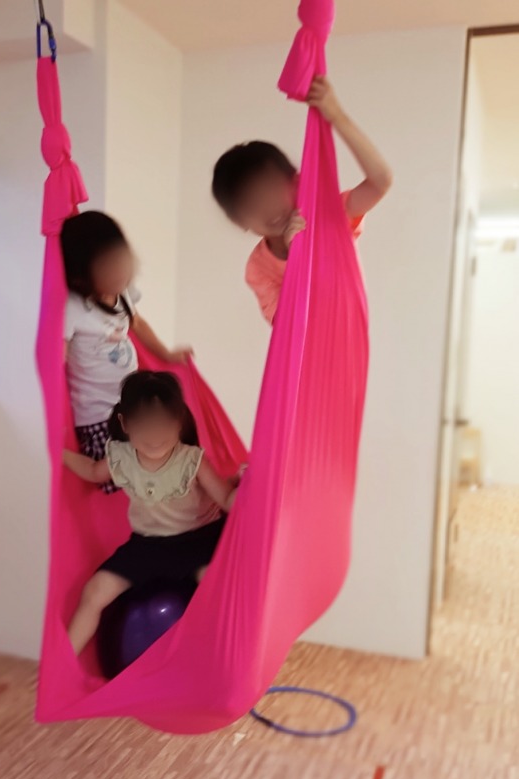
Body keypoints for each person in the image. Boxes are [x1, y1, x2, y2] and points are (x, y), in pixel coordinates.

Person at [62, 371, 239, 656]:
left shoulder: (191, 460)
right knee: (95, 591)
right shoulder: (122, 457)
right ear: (126, 424)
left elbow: (227, 500)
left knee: (215, 585)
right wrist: (58, 452)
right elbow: (93, 471)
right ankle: (62, 663)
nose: (155, 435)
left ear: (179, 422)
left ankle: (223, 658)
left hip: (198, 541)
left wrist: (252, 483)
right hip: (147, 544)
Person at [211, 76, 393, 325]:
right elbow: (287, 327)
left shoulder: (329, 215)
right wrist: (297, 256)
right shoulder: (258, 268)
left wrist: (336, 115)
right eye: (252, 202)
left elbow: (381, 181)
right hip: (311, 349)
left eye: (271, 188)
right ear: (239, 222)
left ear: (296, 182)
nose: (267, 206)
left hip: (350, 337)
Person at [62, 211, 192, 493]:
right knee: (113, 472)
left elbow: (138, 324)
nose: (121, 272)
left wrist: (166, 354)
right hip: (97, 413)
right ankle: (61, 455)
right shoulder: (74, 307)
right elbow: (58, 359)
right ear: (82, 279)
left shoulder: (122, 292)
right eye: (108, 268)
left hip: (130, 404)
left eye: (122, 260)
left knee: (162, 451)